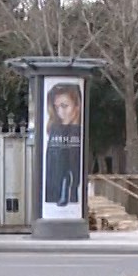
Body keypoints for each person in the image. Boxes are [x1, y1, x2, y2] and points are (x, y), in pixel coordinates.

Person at [42, 81, 84, 210]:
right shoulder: (55, 129)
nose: (60, 112)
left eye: (64, 106)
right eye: (56, 107)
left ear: (78, 106)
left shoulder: (77, 132)